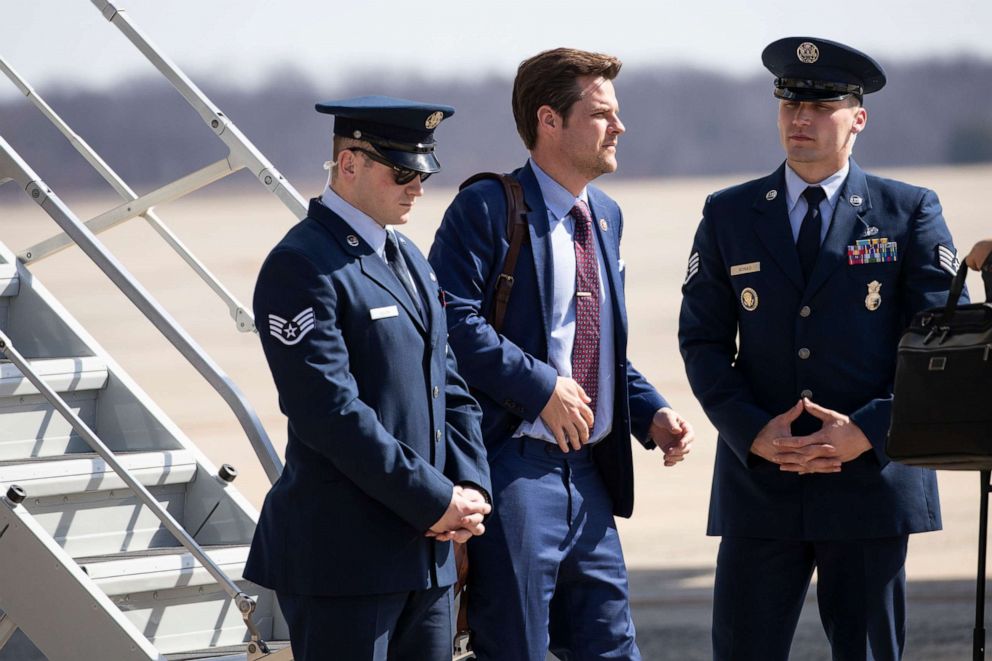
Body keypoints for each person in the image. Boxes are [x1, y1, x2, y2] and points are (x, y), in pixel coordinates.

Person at [679, 36, 965, 660]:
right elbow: (700, 341)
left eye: (821, 104)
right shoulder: (729, 214)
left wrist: (868, 430)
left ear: (858, 117)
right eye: (789, 103)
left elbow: (939, 342)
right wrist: (752, 431)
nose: (800, 118)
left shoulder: (906, 211)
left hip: (869, 483)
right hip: (761, 484)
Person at [428, 48, 694, 661]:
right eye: (601, 114)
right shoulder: (487, 208)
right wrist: (541, 387)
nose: (619, 127)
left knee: (612, 648)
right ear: (550, 121)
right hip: (515, 469)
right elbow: (449, 319)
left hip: (591, 474)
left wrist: (646, 413)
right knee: (516, 647)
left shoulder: (605, 216)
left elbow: (597, 346)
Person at [244, 96, 492, 661]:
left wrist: (471, 487)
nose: (418, 187)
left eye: (423, 173)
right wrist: (435, 500)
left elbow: (449, 386)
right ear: (349, 163)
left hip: (424, 556)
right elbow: (329, 412)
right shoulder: (302, 264)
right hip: (344, 562)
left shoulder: (407, 257)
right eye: (402, 171)